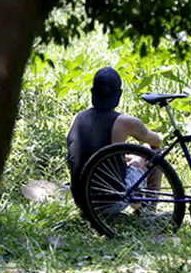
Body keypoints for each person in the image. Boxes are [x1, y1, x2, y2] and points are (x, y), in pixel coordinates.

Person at [66, 66, 163, 208]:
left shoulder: (77, 118)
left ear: (93, 92)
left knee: (129, 158)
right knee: (152, 152)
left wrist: (121, 159)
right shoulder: (125, 122)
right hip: (111, 201)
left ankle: (141, 207)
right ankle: (149, 211)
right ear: (119, 94)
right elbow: (157, 141)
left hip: (82, 201)